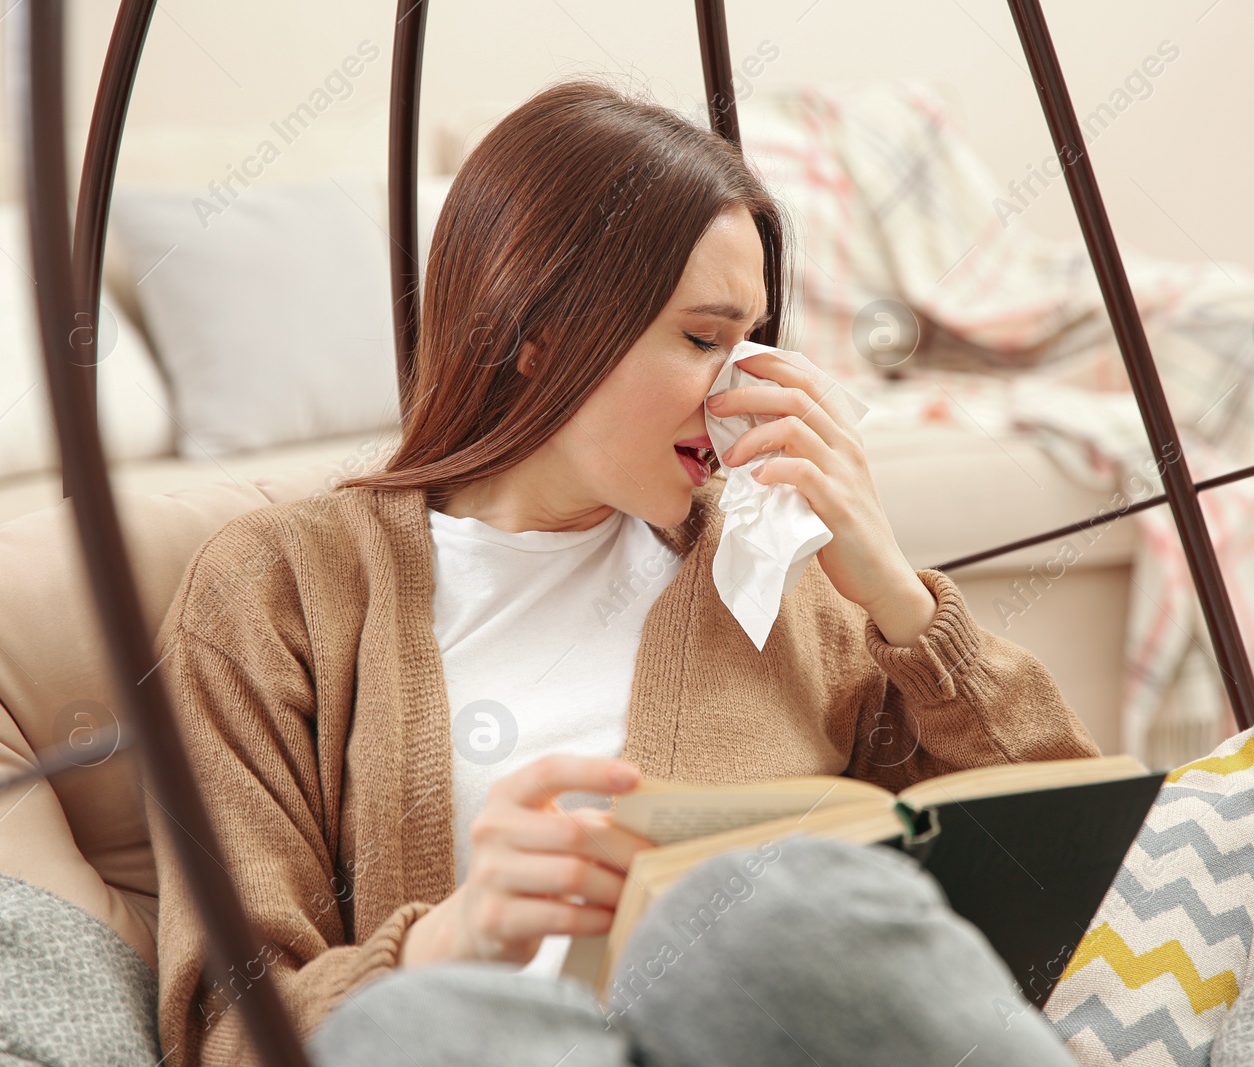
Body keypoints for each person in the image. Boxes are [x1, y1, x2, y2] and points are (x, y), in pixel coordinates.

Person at [147, 77, 1099, 1067]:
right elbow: (227, 1025)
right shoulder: (274, 589)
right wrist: (449, 938)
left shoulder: (774, 571)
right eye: (701, 339)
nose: (741, 393)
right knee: (419, 1024)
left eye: (752, 344)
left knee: (779, 904)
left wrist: (899, 598)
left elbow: (1064, 861)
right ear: (535, 330)